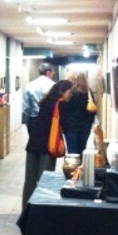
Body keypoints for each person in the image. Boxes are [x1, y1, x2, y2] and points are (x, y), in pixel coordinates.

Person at [22, 79, 73, 208]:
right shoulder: (61, 105)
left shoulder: (45, 102)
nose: (70, 95)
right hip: (48, 145)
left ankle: (27, 209)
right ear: (62, 91)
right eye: (69, 92)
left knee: (30, 180)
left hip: (33, 143)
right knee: (45, 179)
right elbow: (66, 126)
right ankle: (40, 208)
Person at [59, 70, 97, 154]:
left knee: (72, 150)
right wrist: (89, 123)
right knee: (82, 149)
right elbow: (93, 111)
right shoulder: (88, 92)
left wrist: (63, 125)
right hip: (85, 127)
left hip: (70, 127)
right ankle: (80, 166)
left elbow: (61, 110)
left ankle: (72, 166)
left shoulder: (66, 93)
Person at [22, 62, 55, 133]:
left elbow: (26, 107)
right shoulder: (54, 85)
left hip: (34, 119)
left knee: (34, 142)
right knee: (48, 143)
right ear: (48, 72)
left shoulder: (29, 85)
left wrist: (27, 121)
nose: (53, 75)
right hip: (49, 119)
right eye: (52, 73)